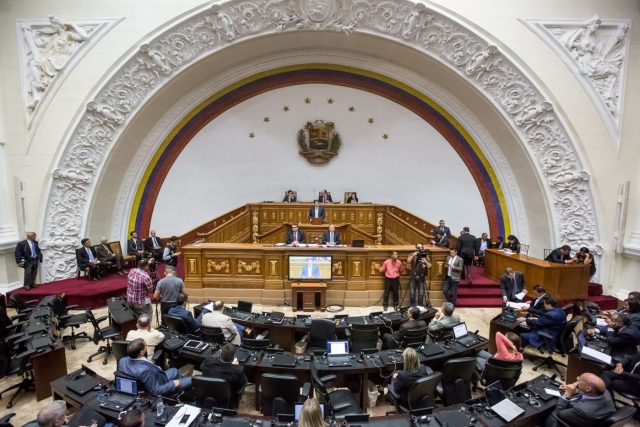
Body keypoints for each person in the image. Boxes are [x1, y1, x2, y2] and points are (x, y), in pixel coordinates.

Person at [118, 338, 192, 396]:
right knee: (193, 380)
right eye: (145, 346)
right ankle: (180, 393)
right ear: (141, 352)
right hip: (160, 384)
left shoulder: (122, 360)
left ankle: (181, 392)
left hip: (159, 376)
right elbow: (156, 390)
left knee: (175, 371)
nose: (146, 347)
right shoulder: (145, 371)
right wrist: (174, 383)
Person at [545, 373, 615, 427]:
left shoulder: (582, 411)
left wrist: (567, 394)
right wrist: (576, 389)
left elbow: (560, 413)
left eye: (580, 380)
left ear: (588, 389)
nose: (577, 380)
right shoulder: (604, 391)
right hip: (594, 416)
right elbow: (589, 392)